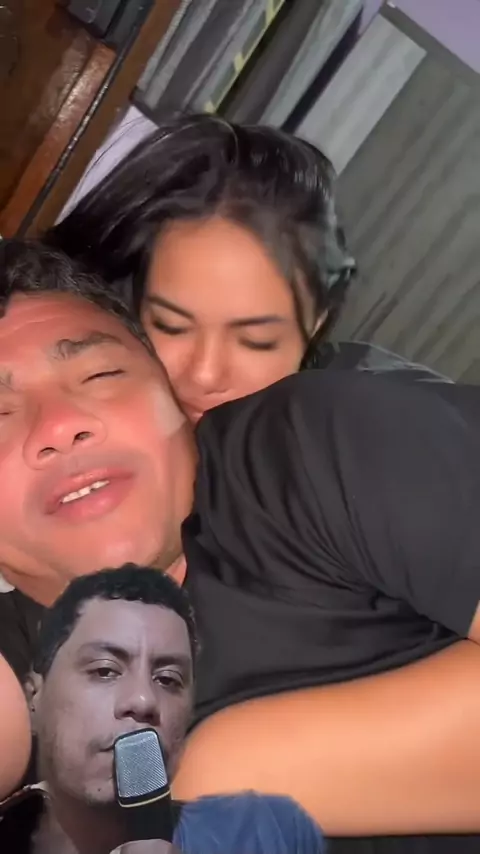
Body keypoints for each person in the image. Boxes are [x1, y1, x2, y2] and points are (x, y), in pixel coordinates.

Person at [1, 240, 480, 854]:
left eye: (99, 374)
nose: (59, 424)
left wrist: (230, 770)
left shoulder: (309, 446)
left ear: (173, 395)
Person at [47, 114, 447, 428]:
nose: (204, 375)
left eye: (256, 341)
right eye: (171, 325)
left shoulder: (341, 439)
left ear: (314, 325)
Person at [0, 563, 325, 854]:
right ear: (34, 698)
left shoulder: (265, 833)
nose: (143, 700)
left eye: (167, 679)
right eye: (105, 671)